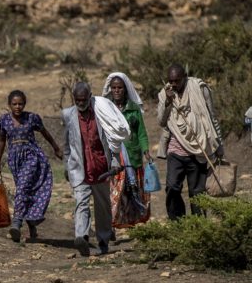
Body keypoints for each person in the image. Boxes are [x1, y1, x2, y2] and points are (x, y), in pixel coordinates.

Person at [63, 82, 130, 257]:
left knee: (103, 207)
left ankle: (103, 239)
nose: (80, 103)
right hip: (80, 169)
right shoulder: (68, 115)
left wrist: (115, 161)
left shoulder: (101, 113)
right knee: (81, 203)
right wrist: (66, 165)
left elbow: (113, 140)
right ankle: (82, 237)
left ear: (90, 96)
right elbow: (66, 145)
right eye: (77, 100)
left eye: (84, 99)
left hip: (101, 168)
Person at [0, 89, 63, 243]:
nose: (18, 107)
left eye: (20, 104)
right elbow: (1, 142)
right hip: (14, 160)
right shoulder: (3, 121)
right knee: (26, 191)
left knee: (23, 188)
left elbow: (45, 133)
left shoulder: (32, 118)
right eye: (14, 104)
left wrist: (56, 148)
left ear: (24, 104)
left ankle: (17, 222)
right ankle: (32, 225)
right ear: (9, 105)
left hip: (32, 156)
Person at [156, 64, 224, 220]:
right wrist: (167, 101)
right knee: (172, 187)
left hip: (199, 150)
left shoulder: (199, 89)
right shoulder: (164, 94)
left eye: (177, 81)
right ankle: (178, 223)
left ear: (185, 78)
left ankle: (198, 227)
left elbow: (211, 117)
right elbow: (161, 121)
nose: (173, 85)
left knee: (197, 192)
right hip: (175, 150)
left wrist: (219, 146)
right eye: (170, 81)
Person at [102, 72, 151, 227]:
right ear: (110, 89)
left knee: (132, 189)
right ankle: (112, 224)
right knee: (115, 189)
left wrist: (146, 150)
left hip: (132, 153)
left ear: (125, 89)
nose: (117, 90)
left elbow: (141, 132)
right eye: (114, 87)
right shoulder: (105, 108)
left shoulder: (133, 108)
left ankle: (132, 221)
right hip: (113, 155)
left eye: (120, 87)